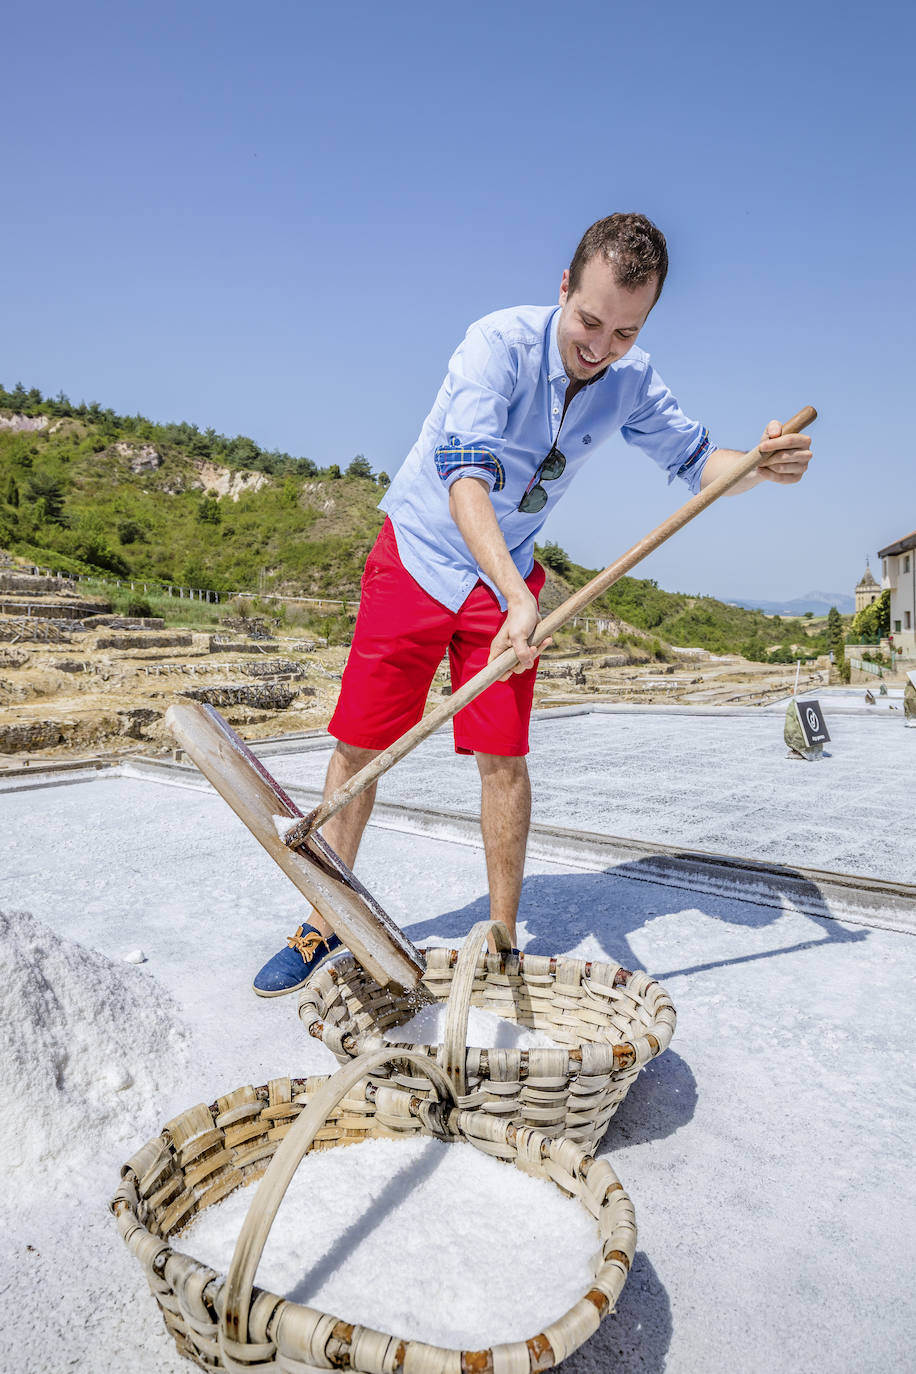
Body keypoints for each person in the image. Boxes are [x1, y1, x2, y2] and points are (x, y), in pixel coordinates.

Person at [253, 212, 814, 995]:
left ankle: (503, 939)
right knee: (360, 744)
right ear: (563, 287)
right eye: (589, 320)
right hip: (420, 554)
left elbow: (699, 464)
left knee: (504, 758)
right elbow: (466, 483)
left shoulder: (630, 379)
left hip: (504, 576)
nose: (600, 347)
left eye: (624, 332)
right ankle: (324, 920)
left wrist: (762, 464)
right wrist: (518, 598)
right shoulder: (496, 347)